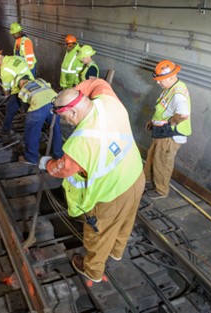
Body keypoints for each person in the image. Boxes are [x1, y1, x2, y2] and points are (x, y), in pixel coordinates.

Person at [39, 84, 145, 283]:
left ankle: (93, 271)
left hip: (112, 192)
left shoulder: (79, 143)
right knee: (127, 218)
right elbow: (99, 83)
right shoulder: (109, 102)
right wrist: (73, 93)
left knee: (99, 233)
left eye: (65, 117)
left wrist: (46, 163)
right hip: (135, 175)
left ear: (72, 110)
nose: (67, 122)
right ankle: (116, 251)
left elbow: (62, 169)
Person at [144, 60, 191, 199]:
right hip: (161, 132)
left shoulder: (177, 93)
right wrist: (153, 122)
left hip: (170, 135)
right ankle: (147, 179)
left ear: (171, 77)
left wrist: (170, 123)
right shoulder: (170, 88)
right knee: (152, 156)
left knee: (162, 162)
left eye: (161, 80)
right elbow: (164, 109)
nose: (158, 83)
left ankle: (161, 190)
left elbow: (183, 114)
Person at [17, 76, 63, 165]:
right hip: (55, 103)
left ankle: (31, 158)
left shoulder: (23, 90)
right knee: (55, 129)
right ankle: (58, 156)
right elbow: (50, 88)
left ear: (21, 82)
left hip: (38, 108)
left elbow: (26, 108)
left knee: (32, 132)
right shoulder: (40, 80)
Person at [0, 51, 35, 137]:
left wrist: (7, 94)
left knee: (10, 109)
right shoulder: (15, 58)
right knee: (32, 108)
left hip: (20, 90)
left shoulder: (4, 69)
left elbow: (6, 88)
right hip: (32, 84)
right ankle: (38, 126)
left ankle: (6, 131)